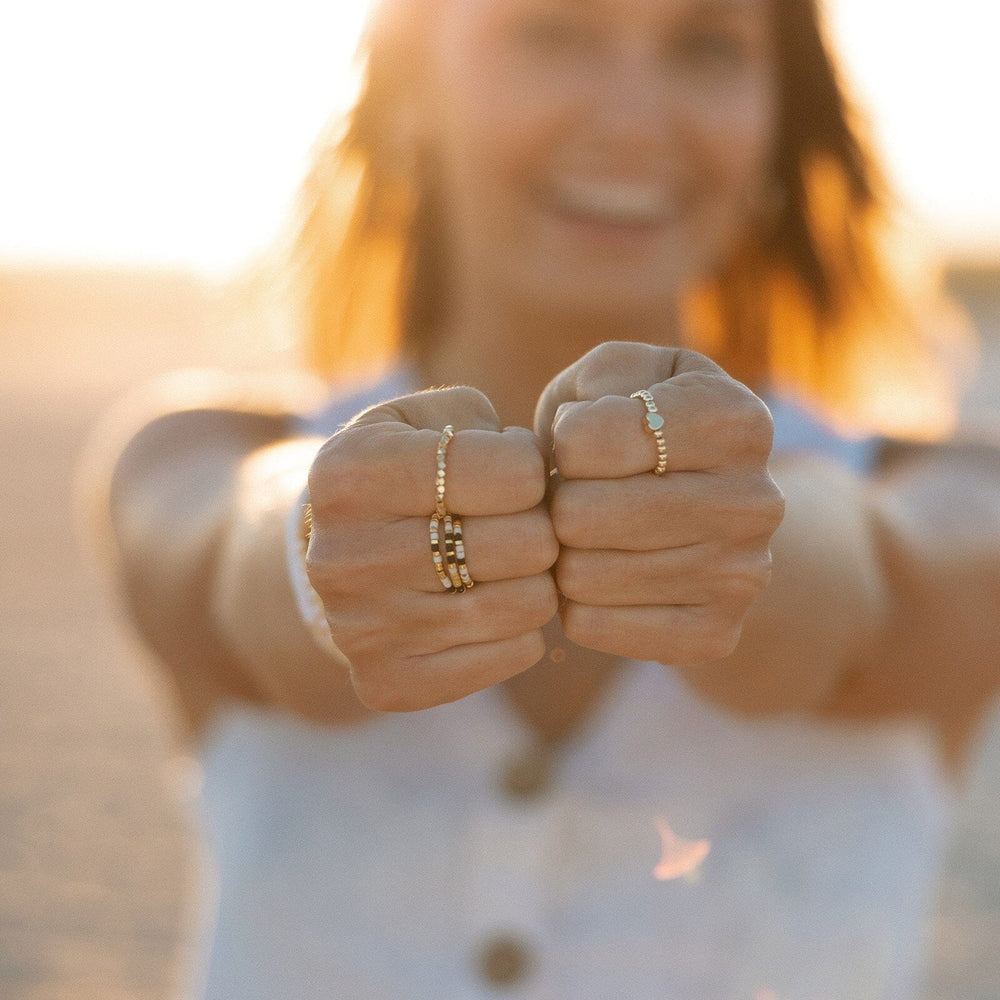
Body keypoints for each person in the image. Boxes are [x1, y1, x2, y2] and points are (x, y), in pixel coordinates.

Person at [85, 0, 1000, 996]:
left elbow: (872, 589)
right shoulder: (195, 452)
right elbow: (234, 557)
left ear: (776, 117)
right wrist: (319, 541)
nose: (632, 117)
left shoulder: (954, 492)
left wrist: (757, 540)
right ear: (406, 90)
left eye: (705, 46)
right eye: (551, 29)